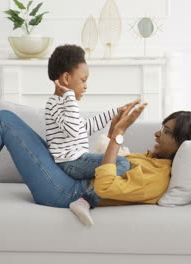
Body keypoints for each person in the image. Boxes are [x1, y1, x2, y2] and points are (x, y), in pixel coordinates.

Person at [0, 101, 191, 226]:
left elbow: (105, 185)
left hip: (62, 193)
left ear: (182, 143)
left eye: (166, 132)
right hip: (68, 182)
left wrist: (117, 136)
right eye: (162, 127)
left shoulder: (158, 177)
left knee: (4, 122)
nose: (158, 133)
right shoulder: (154, 160)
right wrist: (113, 133)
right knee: (8, 122)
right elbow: (105, 162)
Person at [44, 44, 136, 224]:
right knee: (122, 163)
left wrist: (115, 112)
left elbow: (84, 128)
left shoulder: (66, 104)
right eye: (83, 80)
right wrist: (69, 94)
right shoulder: (55, 104)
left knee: (118, 161)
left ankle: (91, 194)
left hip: (79, 158)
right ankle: (85, 201)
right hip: (71, 162)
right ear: (66, 78)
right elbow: (72, 130)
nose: (86, 86)